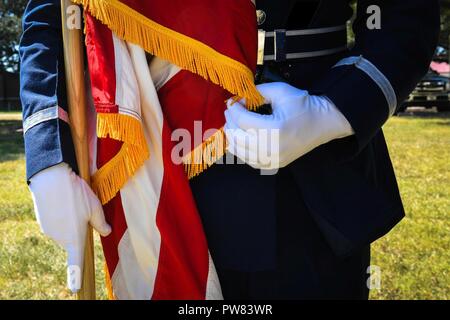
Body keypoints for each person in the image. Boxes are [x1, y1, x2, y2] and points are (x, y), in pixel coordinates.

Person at [20, 0, 440, 299]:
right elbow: (54, 14)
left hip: (315, 172)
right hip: (168, 161)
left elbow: (404, 17)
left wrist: (333, 111)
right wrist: (48, 155)